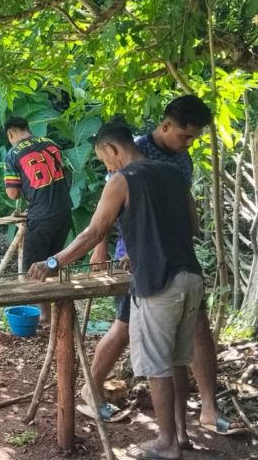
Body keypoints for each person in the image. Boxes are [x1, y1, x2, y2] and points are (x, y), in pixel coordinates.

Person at [30, 121, 205, 460]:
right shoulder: (173, 174)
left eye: (104, 160)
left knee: (157, 366)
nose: (107, 168)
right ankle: (181, 434)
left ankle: (166, 443)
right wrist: (142, 250)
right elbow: (192, 226)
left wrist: (53, 263)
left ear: (112, 149)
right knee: (179, 361)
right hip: (191, 279)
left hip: (159, 285)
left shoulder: (122, 179)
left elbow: (94, 233)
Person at [86, 96, 246, 438]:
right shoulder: (130, 151)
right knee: (125, 328)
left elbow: (187, 216)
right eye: (185, 136)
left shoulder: (181, 162)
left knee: (195, 332)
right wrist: (100, 248)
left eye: (194, 139)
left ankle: (202, 411)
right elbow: (106, 209)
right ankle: (92, 386)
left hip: (174, 260)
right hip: (140, 257)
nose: (188, 144)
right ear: (166, 125)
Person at [3, 116, 73, 326]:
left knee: (35, 267)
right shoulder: (51, 144)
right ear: (28, 129)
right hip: (63, 212)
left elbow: (13, 193)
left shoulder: (13, 153)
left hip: (41, 216)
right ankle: (60, 311)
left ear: (10, 134)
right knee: (54, 262)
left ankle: (46, 317)